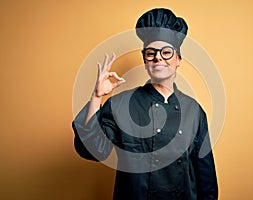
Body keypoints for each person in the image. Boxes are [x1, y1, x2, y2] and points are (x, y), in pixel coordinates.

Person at [72, 8, 218, 200]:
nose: (158, 57)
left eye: (166, 52)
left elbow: (206, 178)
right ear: (145, 60)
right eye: (151, 53)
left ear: (178, 60)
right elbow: (92, 150)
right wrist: (97, 97)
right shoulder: (121, 104)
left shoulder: (194, 111)